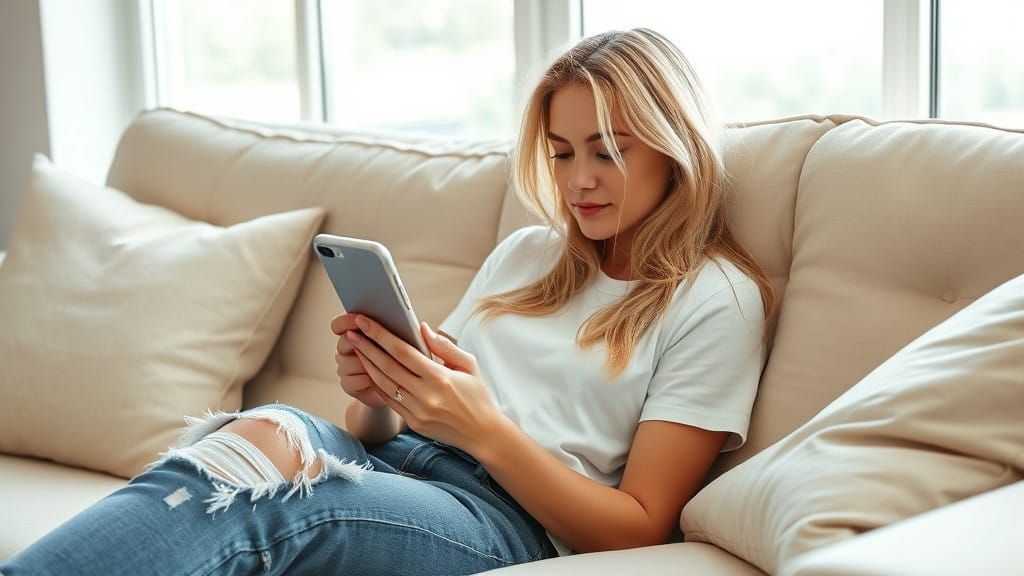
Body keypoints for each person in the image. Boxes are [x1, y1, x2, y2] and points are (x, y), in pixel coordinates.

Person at [1, 28, 775, 575]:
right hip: (399, 461)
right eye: (563, 152)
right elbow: (382, 432)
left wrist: (485, 430)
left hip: (511, 524)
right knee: (261, 432)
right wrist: (378, 393)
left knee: (273, 498)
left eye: (608, 151)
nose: (579, 182)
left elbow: (642, 526)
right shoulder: (529, 254)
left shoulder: (715, 299)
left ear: (673, 145)